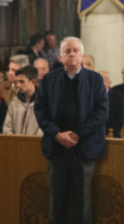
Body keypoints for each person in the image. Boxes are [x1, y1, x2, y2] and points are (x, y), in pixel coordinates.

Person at [34, 36, 108, 224]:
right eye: (67, 51)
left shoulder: (95, 80)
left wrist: (78, 134)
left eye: (76, 51)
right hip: (56, 148)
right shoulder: (49, 80)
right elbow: (40, 110)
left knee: (82, 203)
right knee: (56, 202)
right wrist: (56, 134)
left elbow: (101, 112)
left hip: (84, 148)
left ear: (82, 55)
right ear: (60, 57)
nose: (72, 54)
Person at [3, 66, 42, 135]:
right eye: (17, 82)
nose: (18, 85)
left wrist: (33, 140)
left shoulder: (44, 103)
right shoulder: (14, 103)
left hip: (36, 141)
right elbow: (7, 127)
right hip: (15, 141)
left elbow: (44, 128)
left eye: (22, 82)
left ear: (33, 81)